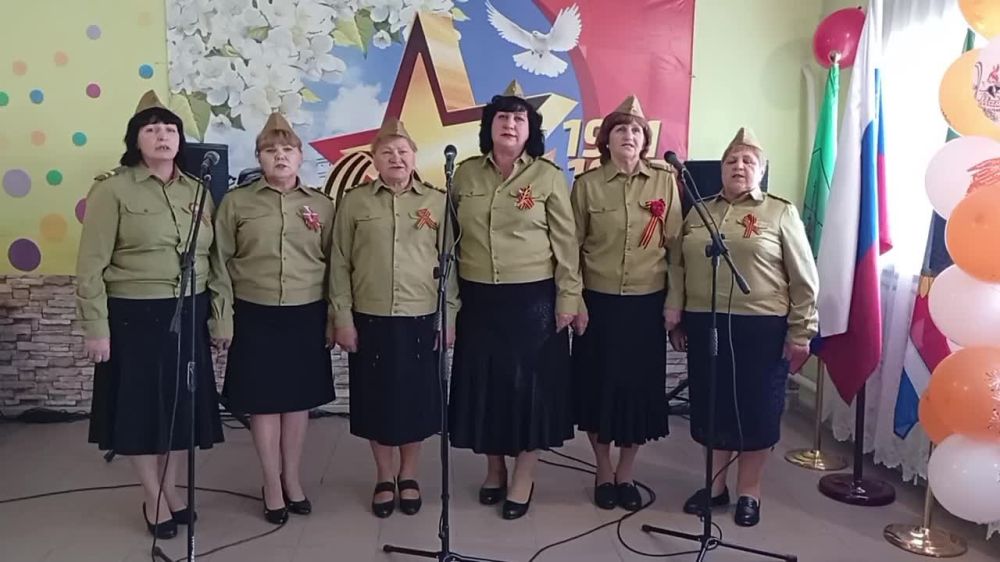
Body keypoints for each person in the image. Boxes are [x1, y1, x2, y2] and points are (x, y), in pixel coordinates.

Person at [76, 90, 224, 539]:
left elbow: (214, 260)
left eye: (170, 129)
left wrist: (219, 316)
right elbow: (90, 265)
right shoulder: (112, 190)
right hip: (135, 316)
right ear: (135, 140)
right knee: (141, 409)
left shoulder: (198, 190)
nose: (163, 136)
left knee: (178, 407)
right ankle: (152, 495)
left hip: (189, 309)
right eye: (152, 129)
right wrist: (96, 328)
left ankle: (171, 489)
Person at [666, 127, 818, 527]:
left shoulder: (780, 212)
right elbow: (678, 265)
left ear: (761, 171)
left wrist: (801, 331)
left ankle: (750, 491)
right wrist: (677, 315)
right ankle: (715, 487)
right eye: (731, 160)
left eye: (749, 160)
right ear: (720, 169)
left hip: (762, 329)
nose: (739, 166)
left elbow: (804, 278)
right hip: (706, 324)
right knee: (712, 407)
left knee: (756, 411)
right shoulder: (698, 211)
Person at [448, 80, 582, 520]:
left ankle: (524, 474)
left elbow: (566, 243)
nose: (509, 124)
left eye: (519, 118)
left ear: (531, 130)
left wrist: (569, 298)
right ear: (489, 126)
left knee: (531, 392)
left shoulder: (547, 175)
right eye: (502, 117)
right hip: (479, 300)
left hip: (533, 301)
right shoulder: (465, 174)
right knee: (487, 387)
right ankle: (494, 469)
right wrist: (449, 305)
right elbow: (449, 241)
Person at [209, 112, 336, 525]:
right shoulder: (236, 203)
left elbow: (336, 265)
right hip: (254, 313)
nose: (280, 156)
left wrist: (334, 317)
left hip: (306, 313)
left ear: (300, 157)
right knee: (263, 404)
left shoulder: (322, 205)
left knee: (297, 403)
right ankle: (270, 483)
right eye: (270, 150)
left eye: (287, 150)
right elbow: (218, 264)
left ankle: (292, 479)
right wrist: (222, 319)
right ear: (259, 158)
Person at [329, 118, 459, 518]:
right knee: (377, 400)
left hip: (421, 316)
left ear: (414, 157)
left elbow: (451, 263)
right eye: (387, 152)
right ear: (375, 160)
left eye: (403, 151)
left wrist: (449, 315)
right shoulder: (355, 202)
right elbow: (339, 261)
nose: (396, 158)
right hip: (370, 316)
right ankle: (384, 475)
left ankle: (409, 474)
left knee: (417, 401)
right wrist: (342, 317)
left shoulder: (437, 201)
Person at [570, 95, 683, 511]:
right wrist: (575, 301)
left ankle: (627, 471)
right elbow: (571, 249)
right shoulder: (587, 186)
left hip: (646, 305)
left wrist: (675, 302)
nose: (629, 136)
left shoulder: (664, 182)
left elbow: (677, 248)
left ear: (645, 140)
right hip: (598, 304)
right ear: (606, 139)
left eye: (636, 130)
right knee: (596, 389)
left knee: (638, 392)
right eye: (620, 129)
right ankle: (602, 469)